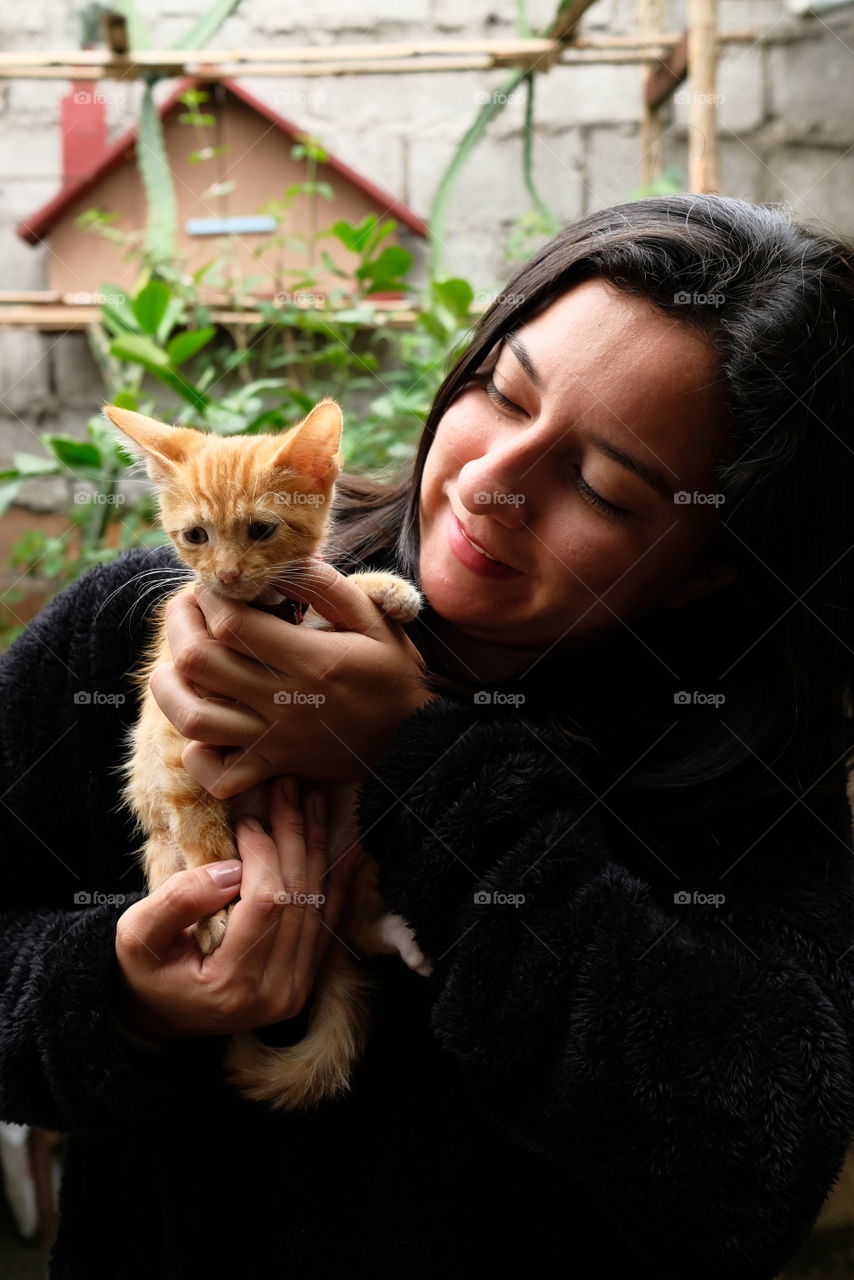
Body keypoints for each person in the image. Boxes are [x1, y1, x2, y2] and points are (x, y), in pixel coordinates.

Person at [1, 193, 853, 1280]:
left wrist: (419, 765)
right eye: (503, 391)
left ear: (712, 564)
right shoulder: (157, 628)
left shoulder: (724, 764)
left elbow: (749, 1168)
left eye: (600, 482)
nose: (491, 483)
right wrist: (117, 994)